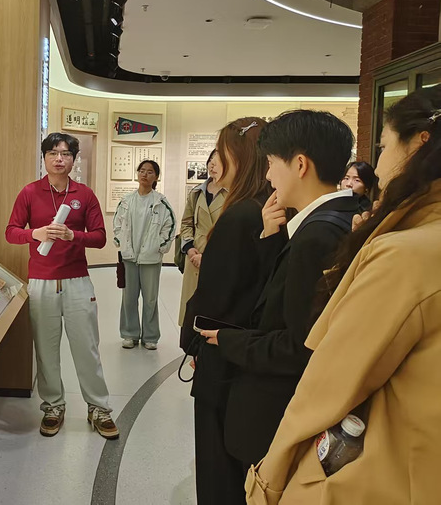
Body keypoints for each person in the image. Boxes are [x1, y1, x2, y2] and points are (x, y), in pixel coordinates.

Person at [246, 86, 441, 504]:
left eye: (384, 146)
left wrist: (266, 486)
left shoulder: (405, 255)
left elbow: (328, 385)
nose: (378, 164)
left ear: (418, 144)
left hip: (389, 473)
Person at [198, 110, 358, 471]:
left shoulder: (316, 236)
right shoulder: (344, 216)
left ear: (299, 164)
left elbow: (299, 345)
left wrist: (229, 340)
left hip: (276, 406)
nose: (268, 175)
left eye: (271, 163)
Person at [179, 117, 271, 505]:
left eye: (222, 151)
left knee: (218, 464)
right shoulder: (268, 207)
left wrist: (192, 342)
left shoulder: (241, 214)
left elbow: (216, 295)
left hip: (223, 351)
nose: (216, 161)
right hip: (250, 353)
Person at [6, 132, 118, 440]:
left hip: (77, 280)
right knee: (46, 349)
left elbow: (100, 237)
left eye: (66, 154)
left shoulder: (85, 194)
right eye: (53, 153)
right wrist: (36, 234)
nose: (59, 159)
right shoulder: (30, 192)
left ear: (73, 160)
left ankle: (98, 407)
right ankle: (53, 406)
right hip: (41, 280)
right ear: (44, 157)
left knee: (87, 347)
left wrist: (73, 236)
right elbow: (11, 232)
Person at [113, 160, 176, 350]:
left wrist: (160, 246)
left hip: (151, 258)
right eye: (141, 171)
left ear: (156, 177)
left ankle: (150, 336)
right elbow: (117, 224)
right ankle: (129, 334)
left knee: (150, 299)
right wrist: (120, 242)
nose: (144, 175)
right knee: (129, 298)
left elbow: (170, 226)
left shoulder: (161, 202)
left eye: (149, 172)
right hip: (129, 257)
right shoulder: (127, 200)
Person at [178, 149, 227, 325]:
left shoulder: (233, 194)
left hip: (219, 256)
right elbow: (186, 223)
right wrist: (190, 249)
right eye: (210, 160)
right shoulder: (197, 192)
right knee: (191, 307)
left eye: (217, 161)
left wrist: (207, 257)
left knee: (213, 311)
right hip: (194, 256)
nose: (212, 165)